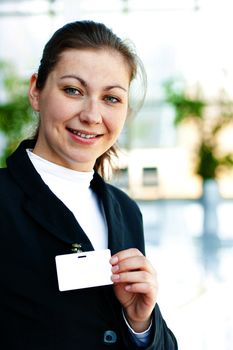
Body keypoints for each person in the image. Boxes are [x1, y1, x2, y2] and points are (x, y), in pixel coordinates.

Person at [0, 20, 178, 349]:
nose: (92, 115)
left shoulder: (125, 211)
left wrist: (140, 323)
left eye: (111, 98)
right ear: (36, 91)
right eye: (73, 91)